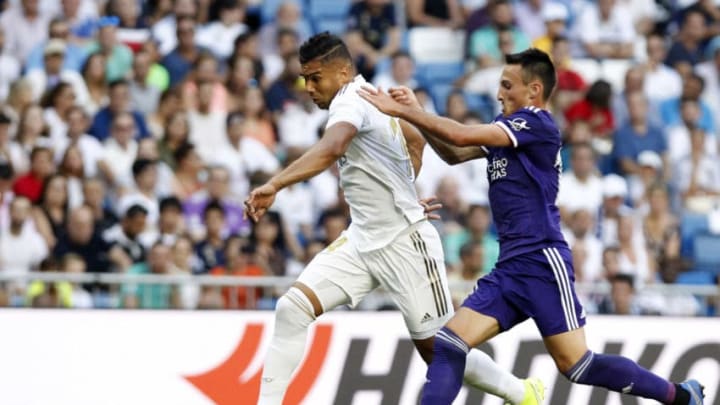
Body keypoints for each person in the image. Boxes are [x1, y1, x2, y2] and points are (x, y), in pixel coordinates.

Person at [358, 48, 705, 405]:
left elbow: (460, 136)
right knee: (448, 343)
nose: (499, 93)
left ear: (533, 91)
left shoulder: (536, 124)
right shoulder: (505, 129)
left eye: (507, 86)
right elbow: (454, 153)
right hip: (511, 267)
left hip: (541, 261)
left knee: (578, 366)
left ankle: (679, 396)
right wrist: (416, 115)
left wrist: (407, 111)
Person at [244, 32, 543, 405]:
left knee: (437, 349)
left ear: (342, 72)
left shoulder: (350, 100)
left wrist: (275, 183)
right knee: (292, 309)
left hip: (405, 242)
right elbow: (412, 139)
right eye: (304, 78)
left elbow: (333, 146)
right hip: (363, 239)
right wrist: (403, 189)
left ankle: (523, 393)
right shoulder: (373, 97)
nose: (308, 87)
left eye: (315, 78)